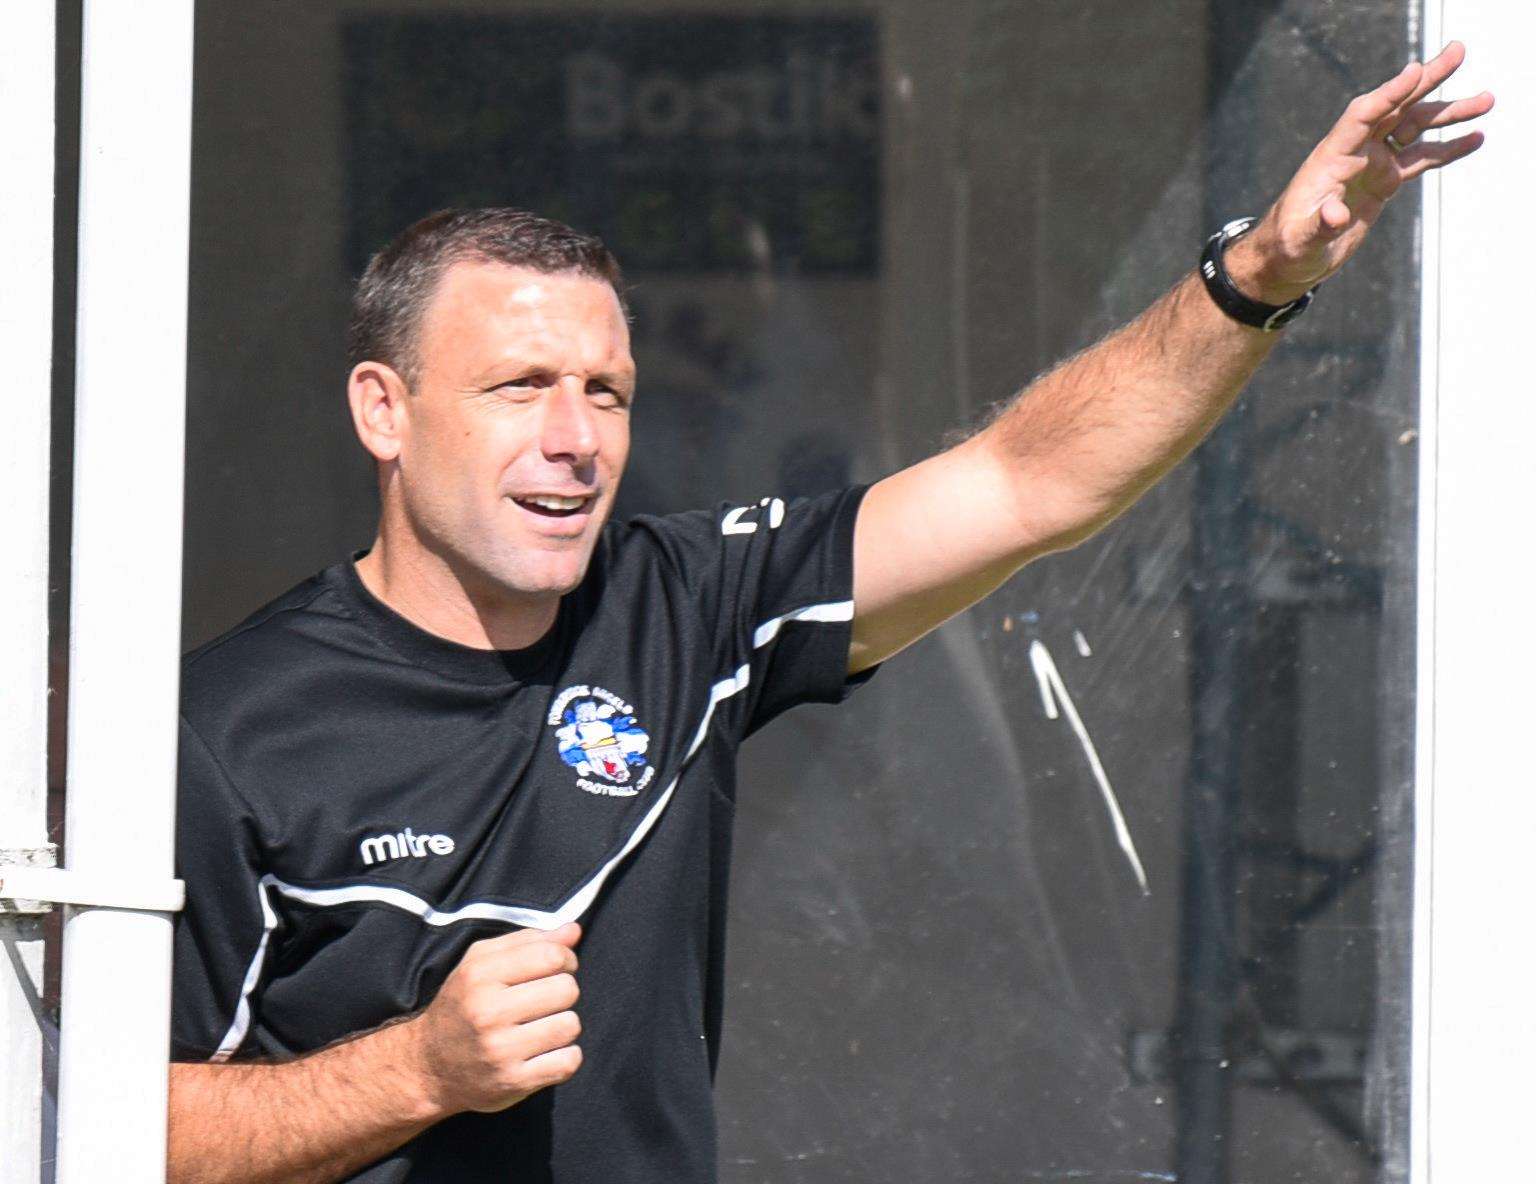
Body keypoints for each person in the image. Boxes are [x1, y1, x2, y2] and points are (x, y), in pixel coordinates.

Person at [166, 43, 1490, 1184]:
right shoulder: (228, 729)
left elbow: (1029, 480)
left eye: (608, 392)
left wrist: (1256, 273)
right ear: (382, 413)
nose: (576, 439)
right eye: (519, 387)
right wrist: (421, 1072)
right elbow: (114, 1130)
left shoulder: (679, 604)